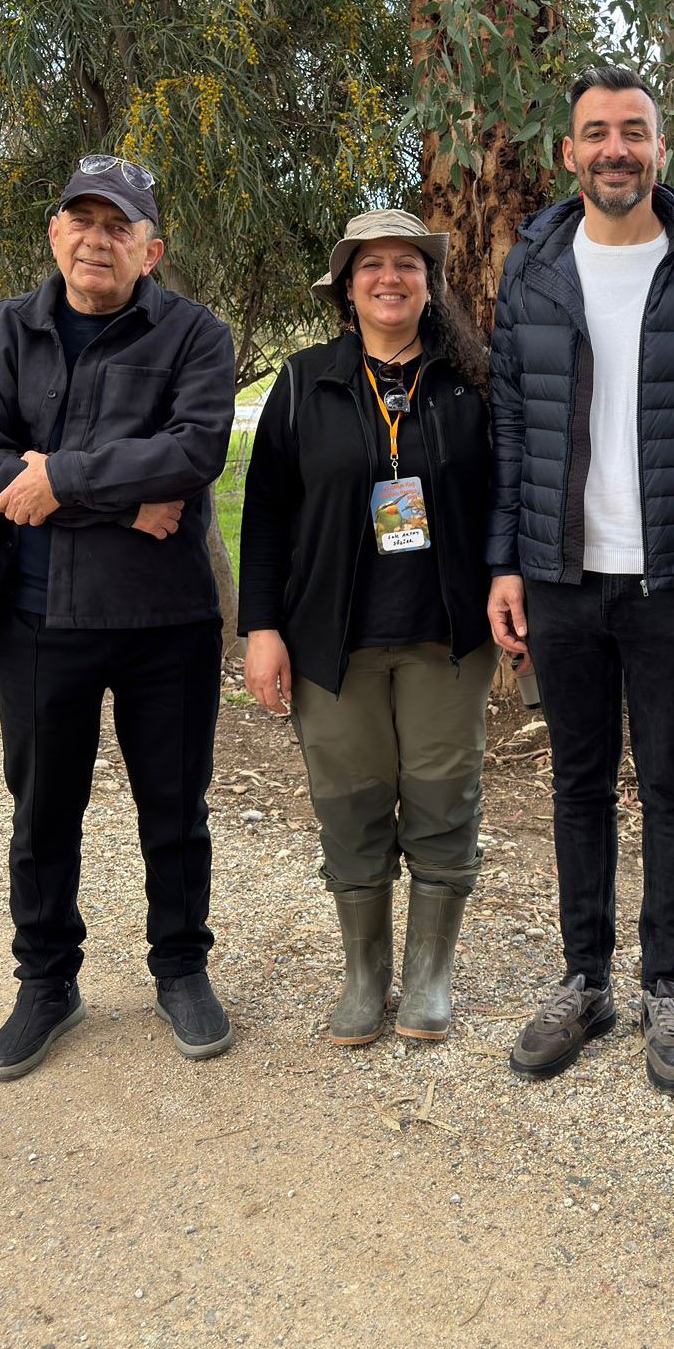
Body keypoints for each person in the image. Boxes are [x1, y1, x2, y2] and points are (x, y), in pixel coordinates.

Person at [0, 157, 236, 1078]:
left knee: (175, 806)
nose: (98, 240)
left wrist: (57, 476)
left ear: (150, 250)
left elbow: (194, 452)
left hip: (167, 618)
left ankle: (182, 969)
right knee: (43, 808)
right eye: (81, 220)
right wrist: (123, 502)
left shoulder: (197, 335)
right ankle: (47, 981)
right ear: (55, 234)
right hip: (37, 614)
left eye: (118, 225)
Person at [488, 64, 674, 1094]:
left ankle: (667, 983)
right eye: (597, 132)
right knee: (577, 780)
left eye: (634, 131)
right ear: (570, 152)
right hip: (560, 575)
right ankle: (586, 978)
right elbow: (511, 427)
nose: (616, 149)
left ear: (661, 148)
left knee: (670, 781)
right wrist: (504, 560)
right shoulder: (532, 266)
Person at [239, 212, 496, 1046]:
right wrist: (261, 628)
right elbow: (265, 512)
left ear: (429, 284)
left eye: (408, 264)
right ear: (346, 288)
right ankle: (365, 973)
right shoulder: (304, 382)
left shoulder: (470, 383)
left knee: (443, 801)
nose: (391, 278)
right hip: (331, 641)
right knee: (349, 807)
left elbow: (504, 501)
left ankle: (428, 974)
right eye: (372, 265)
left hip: (446, 637)